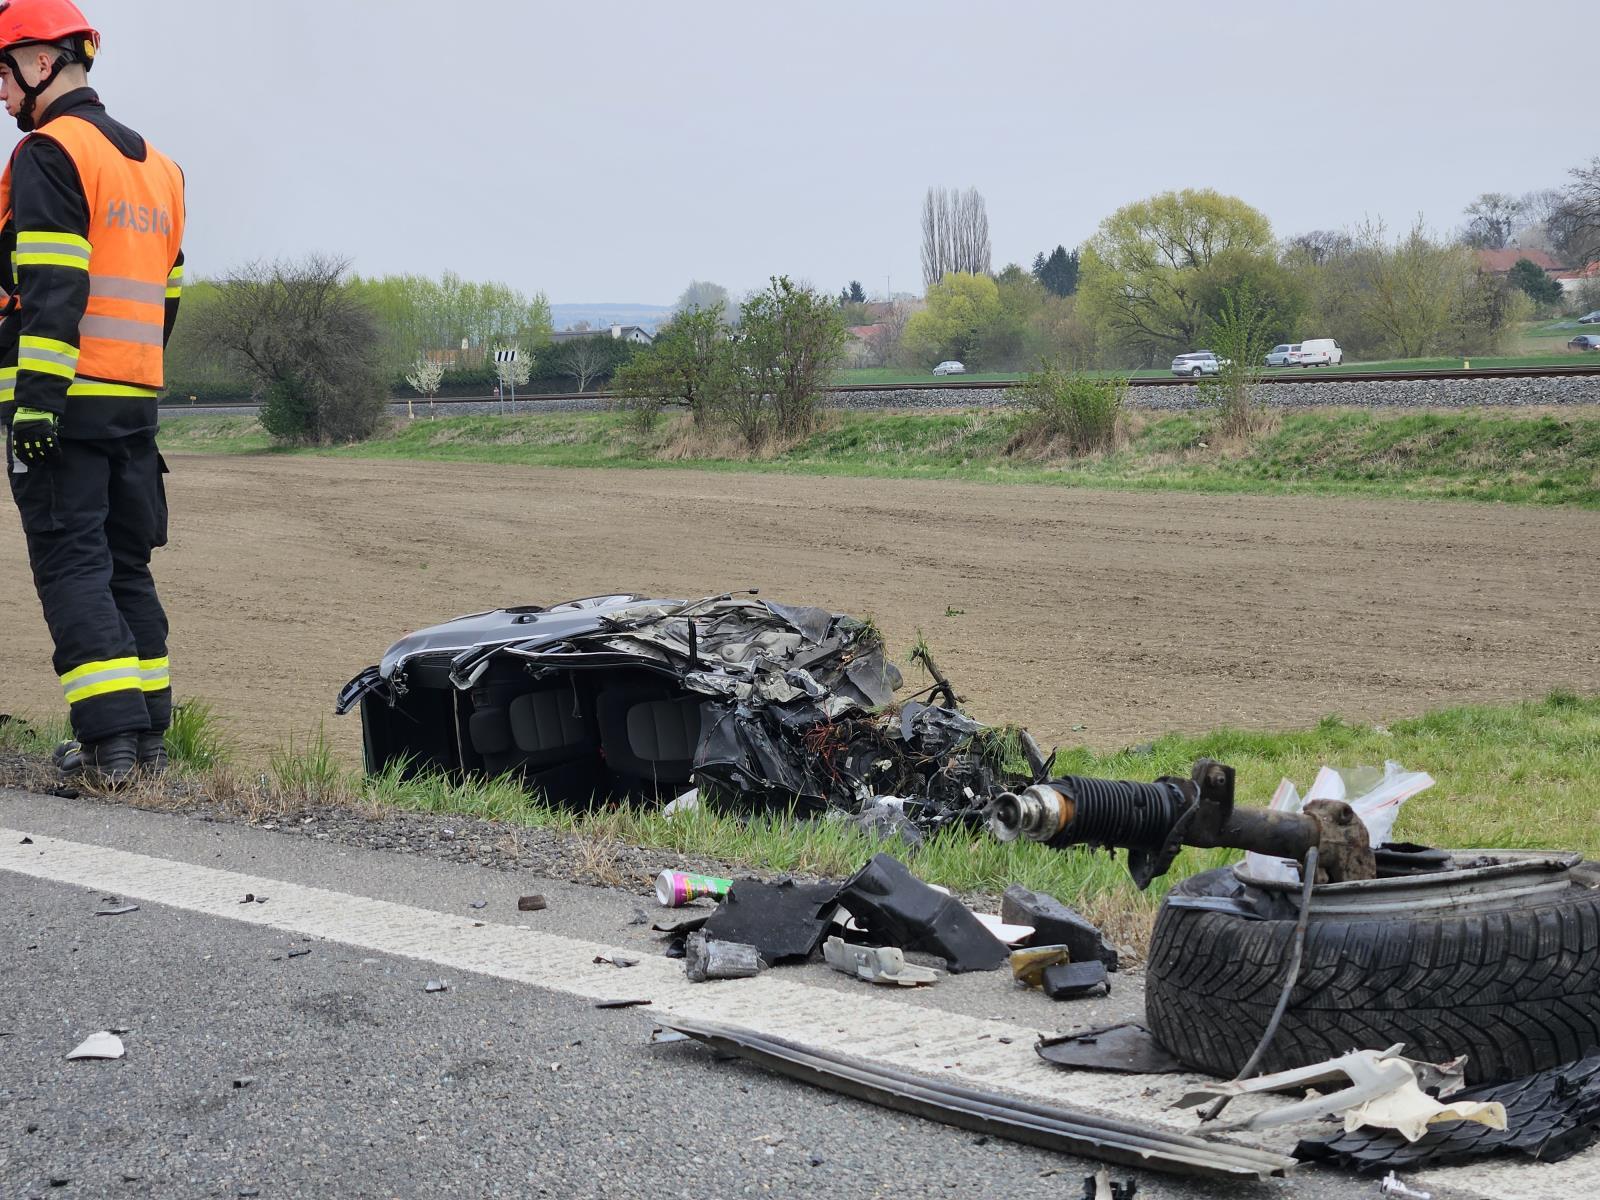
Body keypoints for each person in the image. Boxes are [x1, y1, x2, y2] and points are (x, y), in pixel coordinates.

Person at [0, 0, 186, 786]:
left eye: (3, 76)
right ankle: (146, 745)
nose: (3, 98)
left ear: (42, 63)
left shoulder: (49, 155)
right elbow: (167, 293)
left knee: (71, 567)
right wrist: (127, 375)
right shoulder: (158, 165)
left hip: (61, 406)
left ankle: (107, 749)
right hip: (131, 406)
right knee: (123, 568)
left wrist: (38, 402)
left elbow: (52, 283)